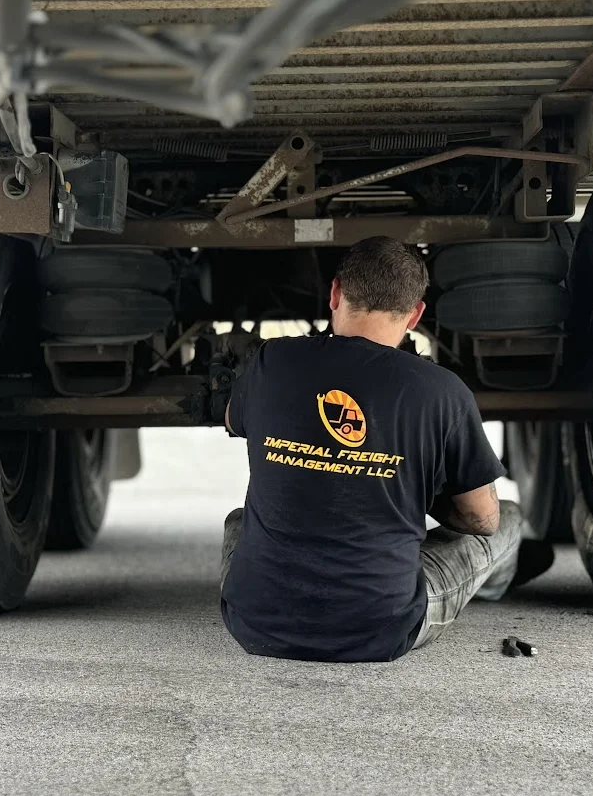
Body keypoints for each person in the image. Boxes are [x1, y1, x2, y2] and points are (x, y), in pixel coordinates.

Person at [221, 236, 534, 662]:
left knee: (239, 521)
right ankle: (493, 585)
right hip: (382, 628)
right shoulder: (442, 391)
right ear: (416, 315)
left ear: (334, 294)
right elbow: (482, 518)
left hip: (253, 623)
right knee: (509, 517)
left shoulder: (270, 361)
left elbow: (231, 420)